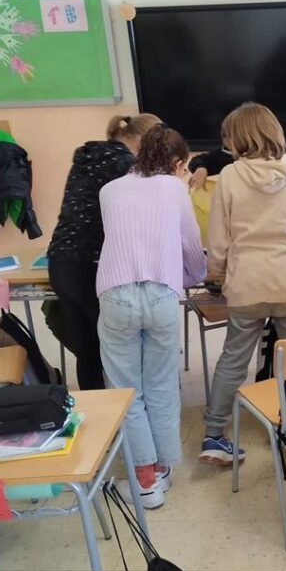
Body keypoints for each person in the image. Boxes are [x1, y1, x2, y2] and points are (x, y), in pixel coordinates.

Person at [199, 102, 286, 466]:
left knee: (233, 359)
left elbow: (219, 240)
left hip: (247, 284)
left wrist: (217, 275)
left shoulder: (229, 176)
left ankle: (214, 435)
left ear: (238, 138)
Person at [97, 125, 207, 508]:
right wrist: (192, 277)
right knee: (161, 385)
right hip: (161, 294)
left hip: (116, 295)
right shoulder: (175, 188)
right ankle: (161, 469)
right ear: (176, 163)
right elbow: (191, 246)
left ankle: (144, 482)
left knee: (127, 390)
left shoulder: (109, 190)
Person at [47, 114, 161, 390]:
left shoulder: (86, 157)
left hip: (61, 261)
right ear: (143, 142)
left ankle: (94, 407)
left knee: (86, 348)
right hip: (94, 265)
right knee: (117, 348)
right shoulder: (126, 165)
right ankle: (126, 408)